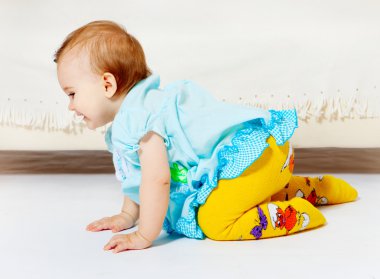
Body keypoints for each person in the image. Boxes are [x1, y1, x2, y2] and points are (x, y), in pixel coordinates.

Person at [54, 20, 358, 253]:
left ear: (107, 84)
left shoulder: (139, 119)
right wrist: (126, 214)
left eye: (72, 93)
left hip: (252, 157)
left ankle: (299, 213)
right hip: (266, 157)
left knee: (215, 221)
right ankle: (314, 188)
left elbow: (156, 180)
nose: (70, 105)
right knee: (231, 195)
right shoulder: (140, 111)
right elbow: (137, 176)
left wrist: (145, 234)